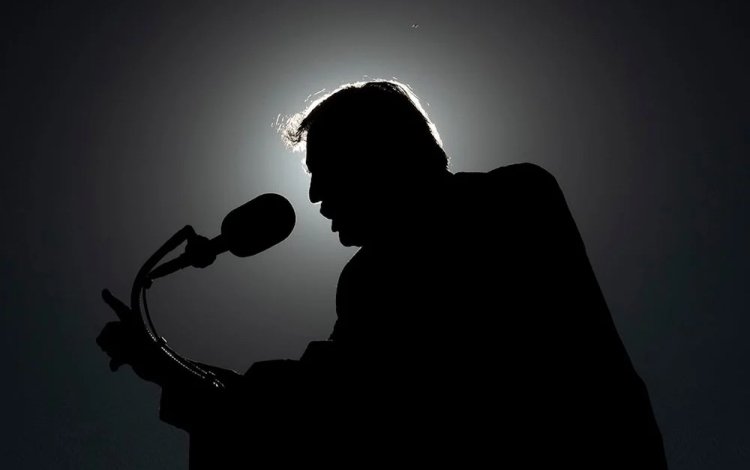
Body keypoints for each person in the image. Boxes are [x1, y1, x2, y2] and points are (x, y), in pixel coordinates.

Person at [98, 80, 668, 468]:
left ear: (378, 154)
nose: (314, 195)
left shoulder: (510, 200)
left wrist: (184, 380)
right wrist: (177, 372)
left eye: (325, 170)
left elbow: (351, 400)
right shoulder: (379, 270)